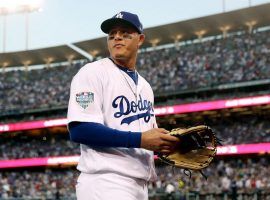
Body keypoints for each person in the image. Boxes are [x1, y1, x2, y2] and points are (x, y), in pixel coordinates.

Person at [67, 11, 180, 200]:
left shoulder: (145, 87)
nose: (117, 37)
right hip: (105, 181)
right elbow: (80, 130)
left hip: (139, 184)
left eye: (125, 33)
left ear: (140, 39)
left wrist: (168, 144)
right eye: (112, 34)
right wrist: (139, 139)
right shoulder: (92, 73)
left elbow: (147, 137)